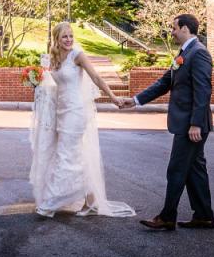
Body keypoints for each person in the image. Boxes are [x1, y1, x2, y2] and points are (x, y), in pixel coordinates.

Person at [117, 13, 214, 231]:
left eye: (174, 28)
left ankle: (167, 217)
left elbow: (203, 90)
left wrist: (196, 123)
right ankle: (204, 216)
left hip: (192, 125)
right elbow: (164, 83)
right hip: (188, 123)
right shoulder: (184, 54)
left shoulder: (198, 54)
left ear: (185, 29)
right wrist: (134, 101)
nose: (171, 32)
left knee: (177, 170)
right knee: (194, 170)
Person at [29, 22, 135, 219]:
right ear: (57, 40)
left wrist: (113, 97)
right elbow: (49, 83)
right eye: (64, 37)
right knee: (76, 156)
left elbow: (96, 77)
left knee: (65, 155)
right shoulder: (53, 57)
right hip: (60, 112)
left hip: (76, 111)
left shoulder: (77, 55)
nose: (69, 40)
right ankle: (91, 200)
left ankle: (49, 204)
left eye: (71, 36)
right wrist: (35, 81)